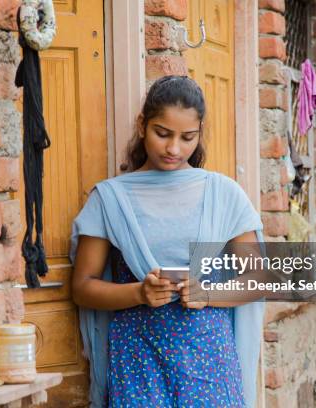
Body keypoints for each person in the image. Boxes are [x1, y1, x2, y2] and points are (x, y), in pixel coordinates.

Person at [70, 75, 265, 407]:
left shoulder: (222, 194)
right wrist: (138, 292)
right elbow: (82, 287)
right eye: (162, 134)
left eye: (187, 137)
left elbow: (259, 279)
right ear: (142, 125)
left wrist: (207, 292)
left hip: (209, 361)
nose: (174, 148)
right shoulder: (111, 198)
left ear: (199, 134)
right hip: (138, 359)